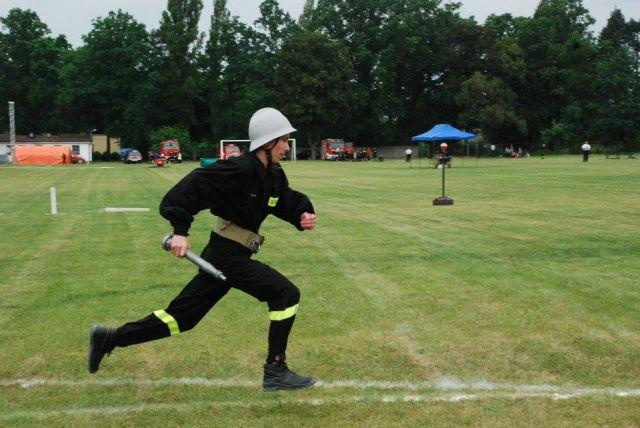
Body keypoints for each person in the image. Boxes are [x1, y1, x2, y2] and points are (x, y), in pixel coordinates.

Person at [88, 107, 318, 392]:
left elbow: (282, 200)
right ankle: (276, 370)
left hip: (228, 256)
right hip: (226, 255)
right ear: (268, 143)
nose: (287, 146)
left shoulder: (272, 175)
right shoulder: (237, 170)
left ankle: (109, 338)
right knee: (285, 293)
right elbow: (193, 186)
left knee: (181, 319)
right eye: (283, 140)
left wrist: (302, 215)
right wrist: (180, 231)